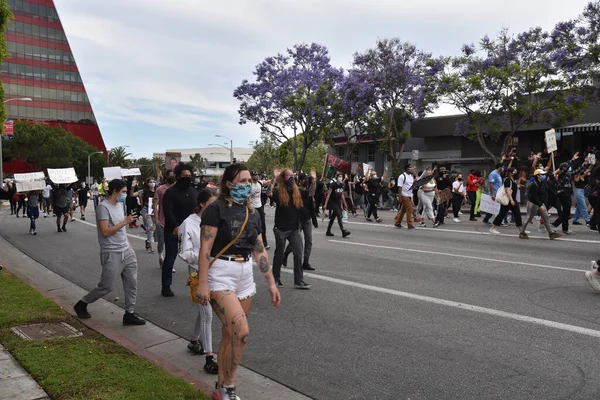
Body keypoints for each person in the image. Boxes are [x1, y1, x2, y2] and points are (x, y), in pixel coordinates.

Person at [195, 163, 281, 400]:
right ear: (229, 184)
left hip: (245, 274)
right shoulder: (216, 209)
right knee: (241, 333)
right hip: (220, 274)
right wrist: (203, 283)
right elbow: (205, 249)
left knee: (229, 336)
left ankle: (219, 388)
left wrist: (271, 283)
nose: (248, 185)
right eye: (242, 181)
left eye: (249, 180)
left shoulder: (253, 213)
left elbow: (260, 250)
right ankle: (229, 388)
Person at [73, 179, 146, 326]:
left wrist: (128, 244)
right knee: (106, 286)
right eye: (124, 192)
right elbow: (105, 231)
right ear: (115, 191)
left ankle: (129, 314)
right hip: (111, 252)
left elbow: (121, 229)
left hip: (126, 250)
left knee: (132, 283)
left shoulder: (120, 205)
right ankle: (82, 303)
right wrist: (125, 222)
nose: (125, 195)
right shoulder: (103, 207)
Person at [178, 187, 219, 374]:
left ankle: (195, 340)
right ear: (202, 203)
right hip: (197, 273)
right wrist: (203, 255)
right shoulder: (189, 223)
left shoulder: (218, 220)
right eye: (212, 204)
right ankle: (209, 358)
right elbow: (184, 253)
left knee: (204, 311)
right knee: (207, 313)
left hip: (217, 273)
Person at [270, 169, 311, 289]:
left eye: (293, 175)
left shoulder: (296, 191)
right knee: (279, 254)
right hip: (281, 228)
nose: (292, 178)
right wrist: (273, 179)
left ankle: (299, 280)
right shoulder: (278, 190)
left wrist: (312, 180)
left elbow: (309, 192)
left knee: (298, 252)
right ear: (283, 178)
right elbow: (269, 194)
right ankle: (276, 279)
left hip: (294, 228)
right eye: (289, 176)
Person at [161, 163, 198, 297]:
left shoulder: (193, 192)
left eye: (189, 175)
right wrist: (177, 227)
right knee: (170, 258)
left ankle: (196, 283)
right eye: (184, 176)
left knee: (195, 258)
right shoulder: (170, 193)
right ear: (177, 176)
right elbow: (168, 211)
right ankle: (166, 286)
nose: (187, 178)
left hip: (192, 231)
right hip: (173, 230)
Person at [284, 172, 317, 271]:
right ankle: (285, 254)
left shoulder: (308, 192)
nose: (306, 181)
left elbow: (311, 204)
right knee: (296, 242)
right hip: (298, 220)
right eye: (304, 179)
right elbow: (310, 192)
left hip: (307, 219)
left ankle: (306, 261)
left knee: (309, 241)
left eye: (307, 179)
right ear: (299, 181)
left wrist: (314, 219)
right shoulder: (296, 191)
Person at [520, 169, 562, 240]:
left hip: (540, 203)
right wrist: (540, 205)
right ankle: (522, 232)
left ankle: (551, 233)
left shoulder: (542, 183)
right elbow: (533, 196)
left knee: (546, 217)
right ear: (538, 176)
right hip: (533, 203)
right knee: (529, 217)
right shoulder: (534, 184)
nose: (544, 176)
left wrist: (543, 204)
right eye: (542, 175)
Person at [489, 167, 524, 235]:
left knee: (517, 214)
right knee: (502, 214)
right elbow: (507, 190)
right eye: (514, 171)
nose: (515, 173)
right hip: (508, 200)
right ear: (510, 173)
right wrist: (511, 200)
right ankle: (493, 228)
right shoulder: (507, 180)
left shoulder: (513, 180)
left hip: (513, 200)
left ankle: (521, 229)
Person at [154, 170, 175, 270]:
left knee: (170, 243)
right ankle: (160, 256)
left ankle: (168, 264)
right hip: (161, 220)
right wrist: (156, 218)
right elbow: (155, 204)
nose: (172, 177)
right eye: (170, 176)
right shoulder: (160, 189)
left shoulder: (176, 189)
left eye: (173, 176)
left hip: (173, 220)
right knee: (161, 241)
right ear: (166, 177)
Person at [323, 172, 351, 238]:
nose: (341, 177)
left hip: (338, 202)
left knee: (333, 217)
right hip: (332, 202)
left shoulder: (341, 185)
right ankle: (343, 230)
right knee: (339, 215)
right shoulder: (333, 185)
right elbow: (328, 195)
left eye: (341, 176)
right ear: (336, 177)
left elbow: (342, 194)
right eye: (339, 176)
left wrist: (344, 203)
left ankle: (328, 231)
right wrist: (325, 204)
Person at [249, 171, 270, 250]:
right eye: (254, 175)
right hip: (252, 207)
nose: (256, 176)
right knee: (252, 226)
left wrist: (275, 177)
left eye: (257, 175)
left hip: (260, 207)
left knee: (262, 226)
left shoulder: (260, 183)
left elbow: (268, 182)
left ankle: (264, 243)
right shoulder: (249, 185)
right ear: (251, 176)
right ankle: (252, 242)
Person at [395, 164, 416, 230]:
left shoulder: (411, 176)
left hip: (410, 195)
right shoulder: (402, 176)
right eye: (410, 167)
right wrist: (400, 196)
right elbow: (399, 187)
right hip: (404, 195)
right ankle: (410, 225)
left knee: (403, 210)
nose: (412, 168)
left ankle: (397, 222)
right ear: (407, 169)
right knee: (409, 209)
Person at [139, 178, 156, 253]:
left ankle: (148, 241)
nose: (152, 183)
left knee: (154, 228)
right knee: (150, 227)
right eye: (150, 182)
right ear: (147, 183)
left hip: (154, 211)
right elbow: (133, 194)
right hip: (146, 210)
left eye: (153, 182)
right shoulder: (144, 191)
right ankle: (151, 246)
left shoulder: (157, 191)